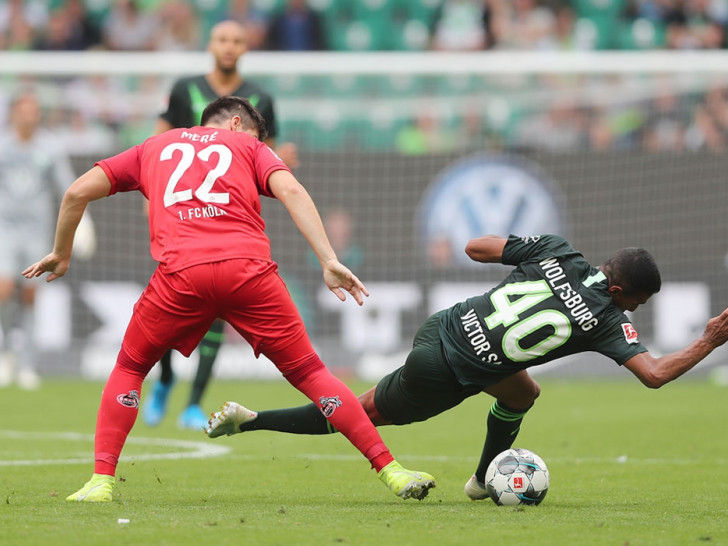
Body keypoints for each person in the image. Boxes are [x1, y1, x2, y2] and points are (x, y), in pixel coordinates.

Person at [23, 96, 435, 503]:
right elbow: (290, 188)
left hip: (181, 275)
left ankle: (101, 481)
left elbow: (76, 192)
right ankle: (392, 471)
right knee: (312, 373)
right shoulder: (248, 147)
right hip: (248, 272)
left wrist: (61, 253)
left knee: (130, 368)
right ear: (236, 124)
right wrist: (328, 259)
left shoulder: (154, 145)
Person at [205, 233, 728, 500]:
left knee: (523, 393)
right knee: (362, 414)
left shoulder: (558, 252)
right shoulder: (607, 318)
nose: (636, 309)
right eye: (637, 300)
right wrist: (710, 339)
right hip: (449, 368)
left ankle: (481, 480)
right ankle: (252, 420)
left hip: (444, 326)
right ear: (619, 290)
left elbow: (475, 248)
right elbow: (654, 374)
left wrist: (522, 253)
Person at [147, 19, 299, 430]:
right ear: (211, 45)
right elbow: (155, 144)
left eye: (236, 40)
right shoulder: (184, 89)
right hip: (182, 213)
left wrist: (282, 161)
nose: (229, 46)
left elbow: (265, 157)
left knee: (216, 312)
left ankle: (193, 403)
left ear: (245, 47)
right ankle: (162, 382)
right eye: (222, 39)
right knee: (168, 308)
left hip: (230, 214)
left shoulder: (261, 98)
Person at [0, 91, 94, 390]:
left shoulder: (50, 147)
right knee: (3, 289)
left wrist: (83, 224)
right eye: (26, 110)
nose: (31, 116)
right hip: (5, 229)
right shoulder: (3, 147)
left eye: (35, 111)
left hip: (37, 232)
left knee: (30, 294)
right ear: (14, 113)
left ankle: (27, 364)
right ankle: (5, 355)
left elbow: (68, 188)